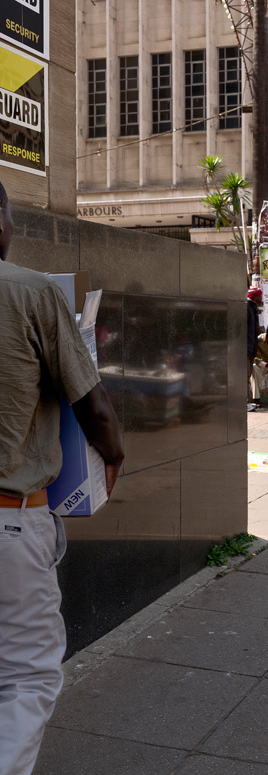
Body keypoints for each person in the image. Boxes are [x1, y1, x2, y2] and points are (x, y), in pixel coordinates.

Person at [0, 180, 125, 775]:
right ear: (4, 222)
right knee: (26, 675)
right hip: (11, 520)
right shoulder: (31, 292)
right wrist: (113, 454)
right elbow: (93, 406)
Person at [247, 286, 263, 410]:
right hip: (247, 349)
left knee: (247, 375)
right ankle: (245, 402)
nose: (261, 297)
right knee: (245, 376)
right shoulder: (247, 307)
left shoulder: (253, 308)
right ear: (255, 296)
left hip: (251, 349)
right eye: (260, 295)